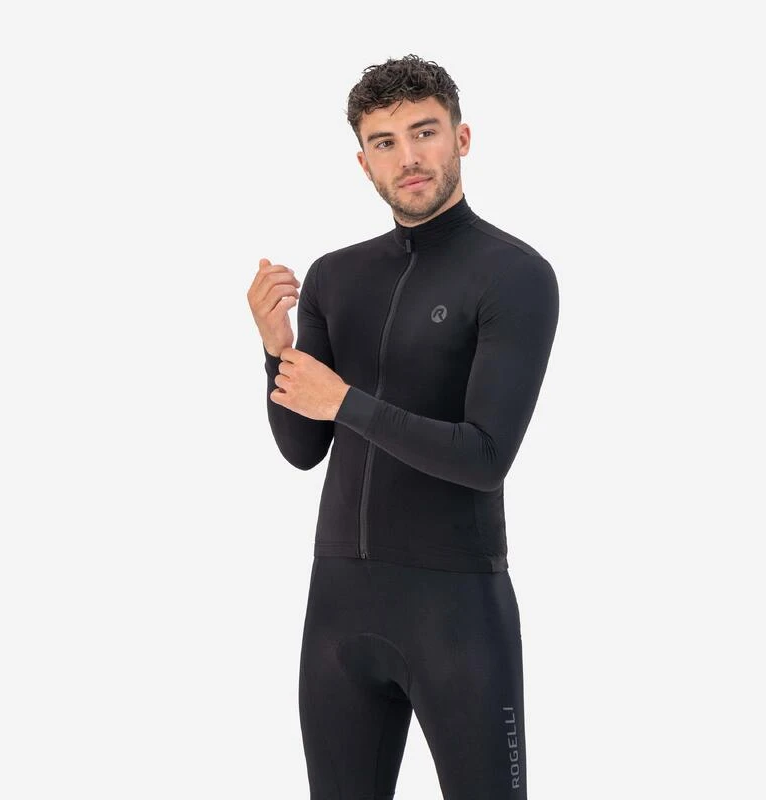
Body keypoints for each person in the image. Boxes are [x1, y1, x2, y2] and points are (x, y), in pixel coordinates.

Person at [247, 54, 558, 800]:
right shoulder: (334, 277)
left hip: (458, 620)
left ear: (462, 138)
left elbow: (484, 456)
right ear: (364, 162)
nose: (409, 157)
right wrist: (276, 349)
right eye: (384, 142)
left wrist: (346, 401)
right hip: (338, 618)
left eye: (425, 132)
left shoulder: (514, 275)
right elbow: (302, 448)